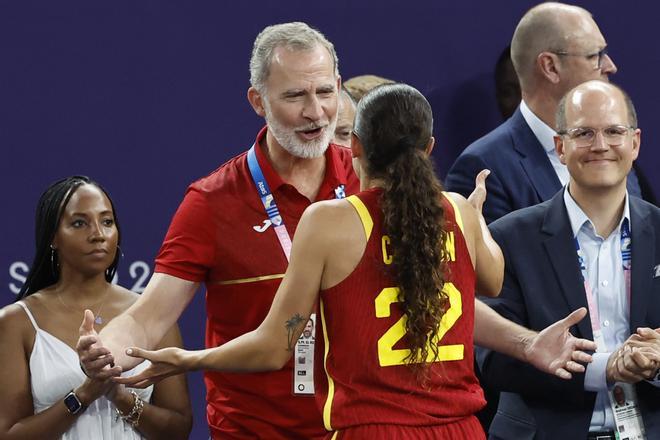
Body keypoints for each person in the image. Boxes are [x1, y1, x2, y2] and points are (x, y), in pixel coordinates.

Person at [114, 84, 595, 439]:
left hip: (372, 430)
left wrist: (187, 359)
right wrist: (474, 213)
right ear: (429, 148)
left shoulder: (329, 222)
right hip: (461, 429)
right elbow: (490, 281)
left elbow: (273, 346)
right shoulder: (458, 212)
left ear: (356, 148)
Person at [77, 22, 360, 440]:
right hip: (255, 431)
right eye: (295, 96)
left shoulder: (367, 178)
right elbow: (149, 316)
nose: (315, 113)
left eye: (324, 92)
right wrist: (106, 351)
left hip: (360, 425)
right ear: (258, 101)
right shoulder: (211, 201)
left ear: (339, 86)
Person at [477, 81, 660, 439]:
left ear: (634, 143)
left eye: (613, 131)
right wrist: (602, 368)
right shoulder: (509, 238)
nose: (600, 145)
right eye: (583, 133)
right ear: (560, 147)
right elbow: (491, 360)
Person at [0, 176, 191, 439]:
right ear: (52, 238)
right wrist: (84, 394)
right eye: (80, 223)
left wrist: (119, 396)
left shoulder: (152, 312)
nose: (98, 235)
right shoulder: (16, 322)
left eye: (107, 222)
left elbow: (179, 429)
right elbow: (9, 434)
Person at [444, 2, 641, 224]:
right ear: (550, 67)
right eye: (595, 55)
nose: (610, 66)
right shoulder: (485, 167)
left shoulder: (614, 149)